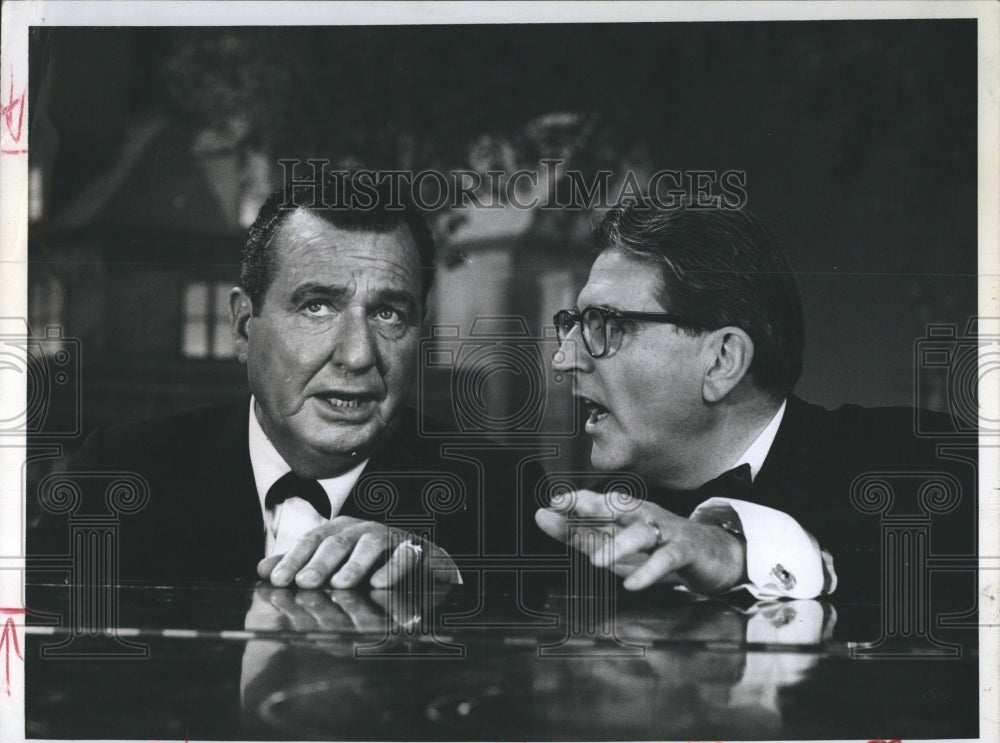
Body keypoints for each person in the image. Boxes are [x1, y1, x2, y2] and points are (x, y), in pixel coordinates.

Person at [29, 172, 539, 588]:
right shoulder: (112, 478)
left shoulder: (504, 501)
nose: (358, 357)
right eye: (317, 306)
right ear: (241, 327)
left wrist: (446, 583)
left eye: (388, 314)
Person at [536, 200, 975, 607]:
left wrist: (740, 553)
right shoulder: (598, 530)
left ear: (722, 361)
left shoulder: (938, 462)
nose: (564, 358)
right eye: (571, 325)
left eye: (602, 325)